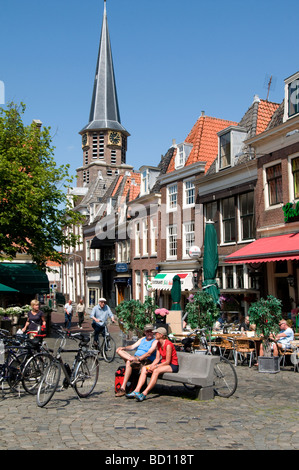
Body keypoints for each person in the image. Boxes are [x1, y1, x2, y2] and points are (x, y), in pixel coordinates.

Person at [126, 326, 179, 402]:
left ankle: (144, 393)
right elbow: (157, 359)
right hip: (162, 363)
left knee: (156, 371)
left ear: (161, 335)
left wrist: (156, 366)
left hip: (172, 365)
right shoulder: (158, 344)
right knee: (144, 368)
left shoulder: (168, 345)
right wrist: (152, 365)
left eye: (156, 333)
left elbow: (167, 361)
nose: (154, 334)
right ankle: (136, 390)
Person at [115, 324, 158, 397]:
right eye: (147, 331)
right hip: (135, 359)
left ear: (153, 332)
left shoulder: (155, 341)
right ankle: (130, 359)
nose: (149, 333)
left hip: (145, 361)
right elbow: (132, 347)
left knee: (129, 362)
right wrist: (123, 348)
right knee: (119, 351)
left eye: (151, 331)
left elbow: (149, 353)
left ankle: (123, 388)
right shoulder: (142, 339)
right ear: (145, 332)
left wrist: (138, 358)